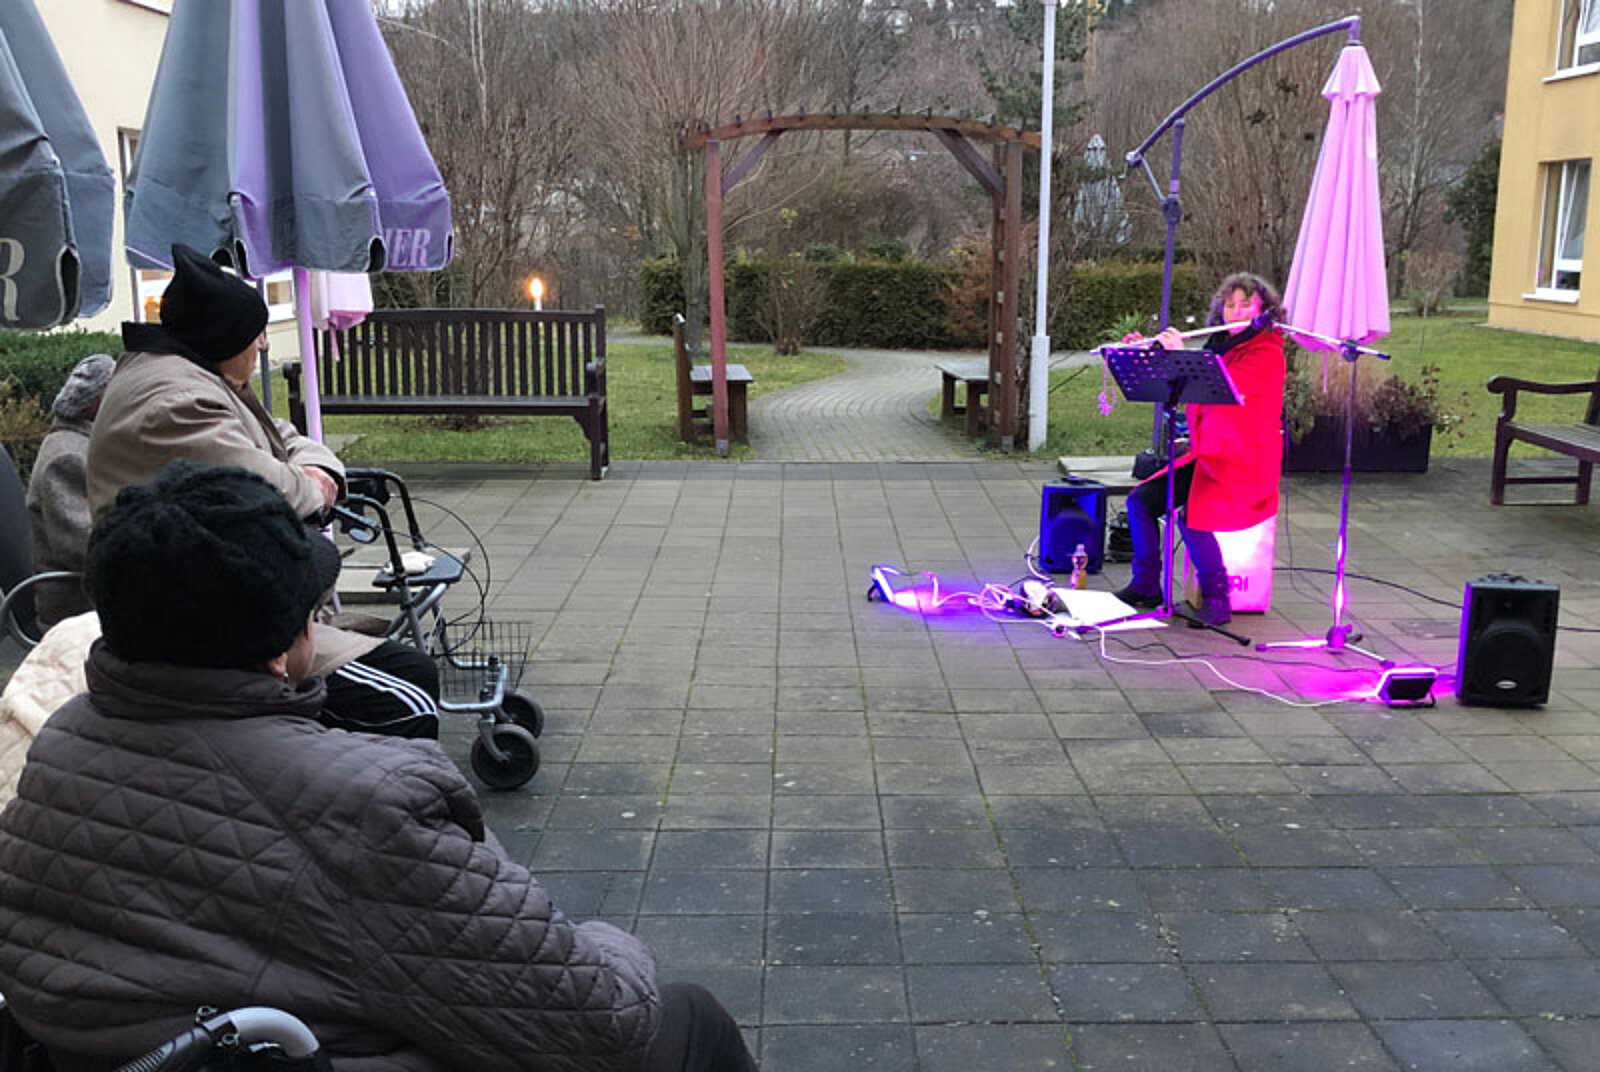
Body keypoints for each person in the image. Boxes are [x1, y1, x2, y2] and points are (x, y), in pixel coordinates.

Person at [0, 461, 758, 1072]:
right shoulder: (363, 801)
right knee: (688, 1018)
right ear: (283, 646)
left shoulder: (60, 743)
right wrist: (612, 943)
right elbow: (600, 1025)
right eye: (312, 610)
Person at [86, 243, 439, 739]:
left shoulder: (198, 374)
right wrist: (314, 484)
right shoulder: (176, 403)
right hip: (206, 623)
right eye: (256, 337)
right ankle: (367, 783)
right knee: (407, 688)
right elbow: (269, 491)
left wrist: (317, 471)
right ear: (226, 338)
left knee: (404, 670)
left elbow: (283, 438)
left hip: (227, 597)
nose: (265, 346)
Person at [1112, 272, 1287, 627]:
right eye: (1230, 305)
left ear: (1263, 310)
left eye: (1246, 305)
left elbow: (1223, 386)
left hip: (1244, 460)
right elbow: (1181, 384)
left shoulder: (1267, 352)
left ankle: (1217, 600)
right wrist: (1148, 354)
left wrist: (1180, 355)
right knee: (1141, 501)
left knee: (1193, 516)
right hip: (1209, 453)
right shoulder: (1220, 345)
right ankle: (1146, 583)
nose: (1236, 312)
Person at [24, 353, 114, 630]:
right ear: (98, 403)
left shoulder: (82, 444)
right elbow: (83, 547)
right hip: (78, 612)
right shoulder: (67, 457)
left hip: (95, 600)